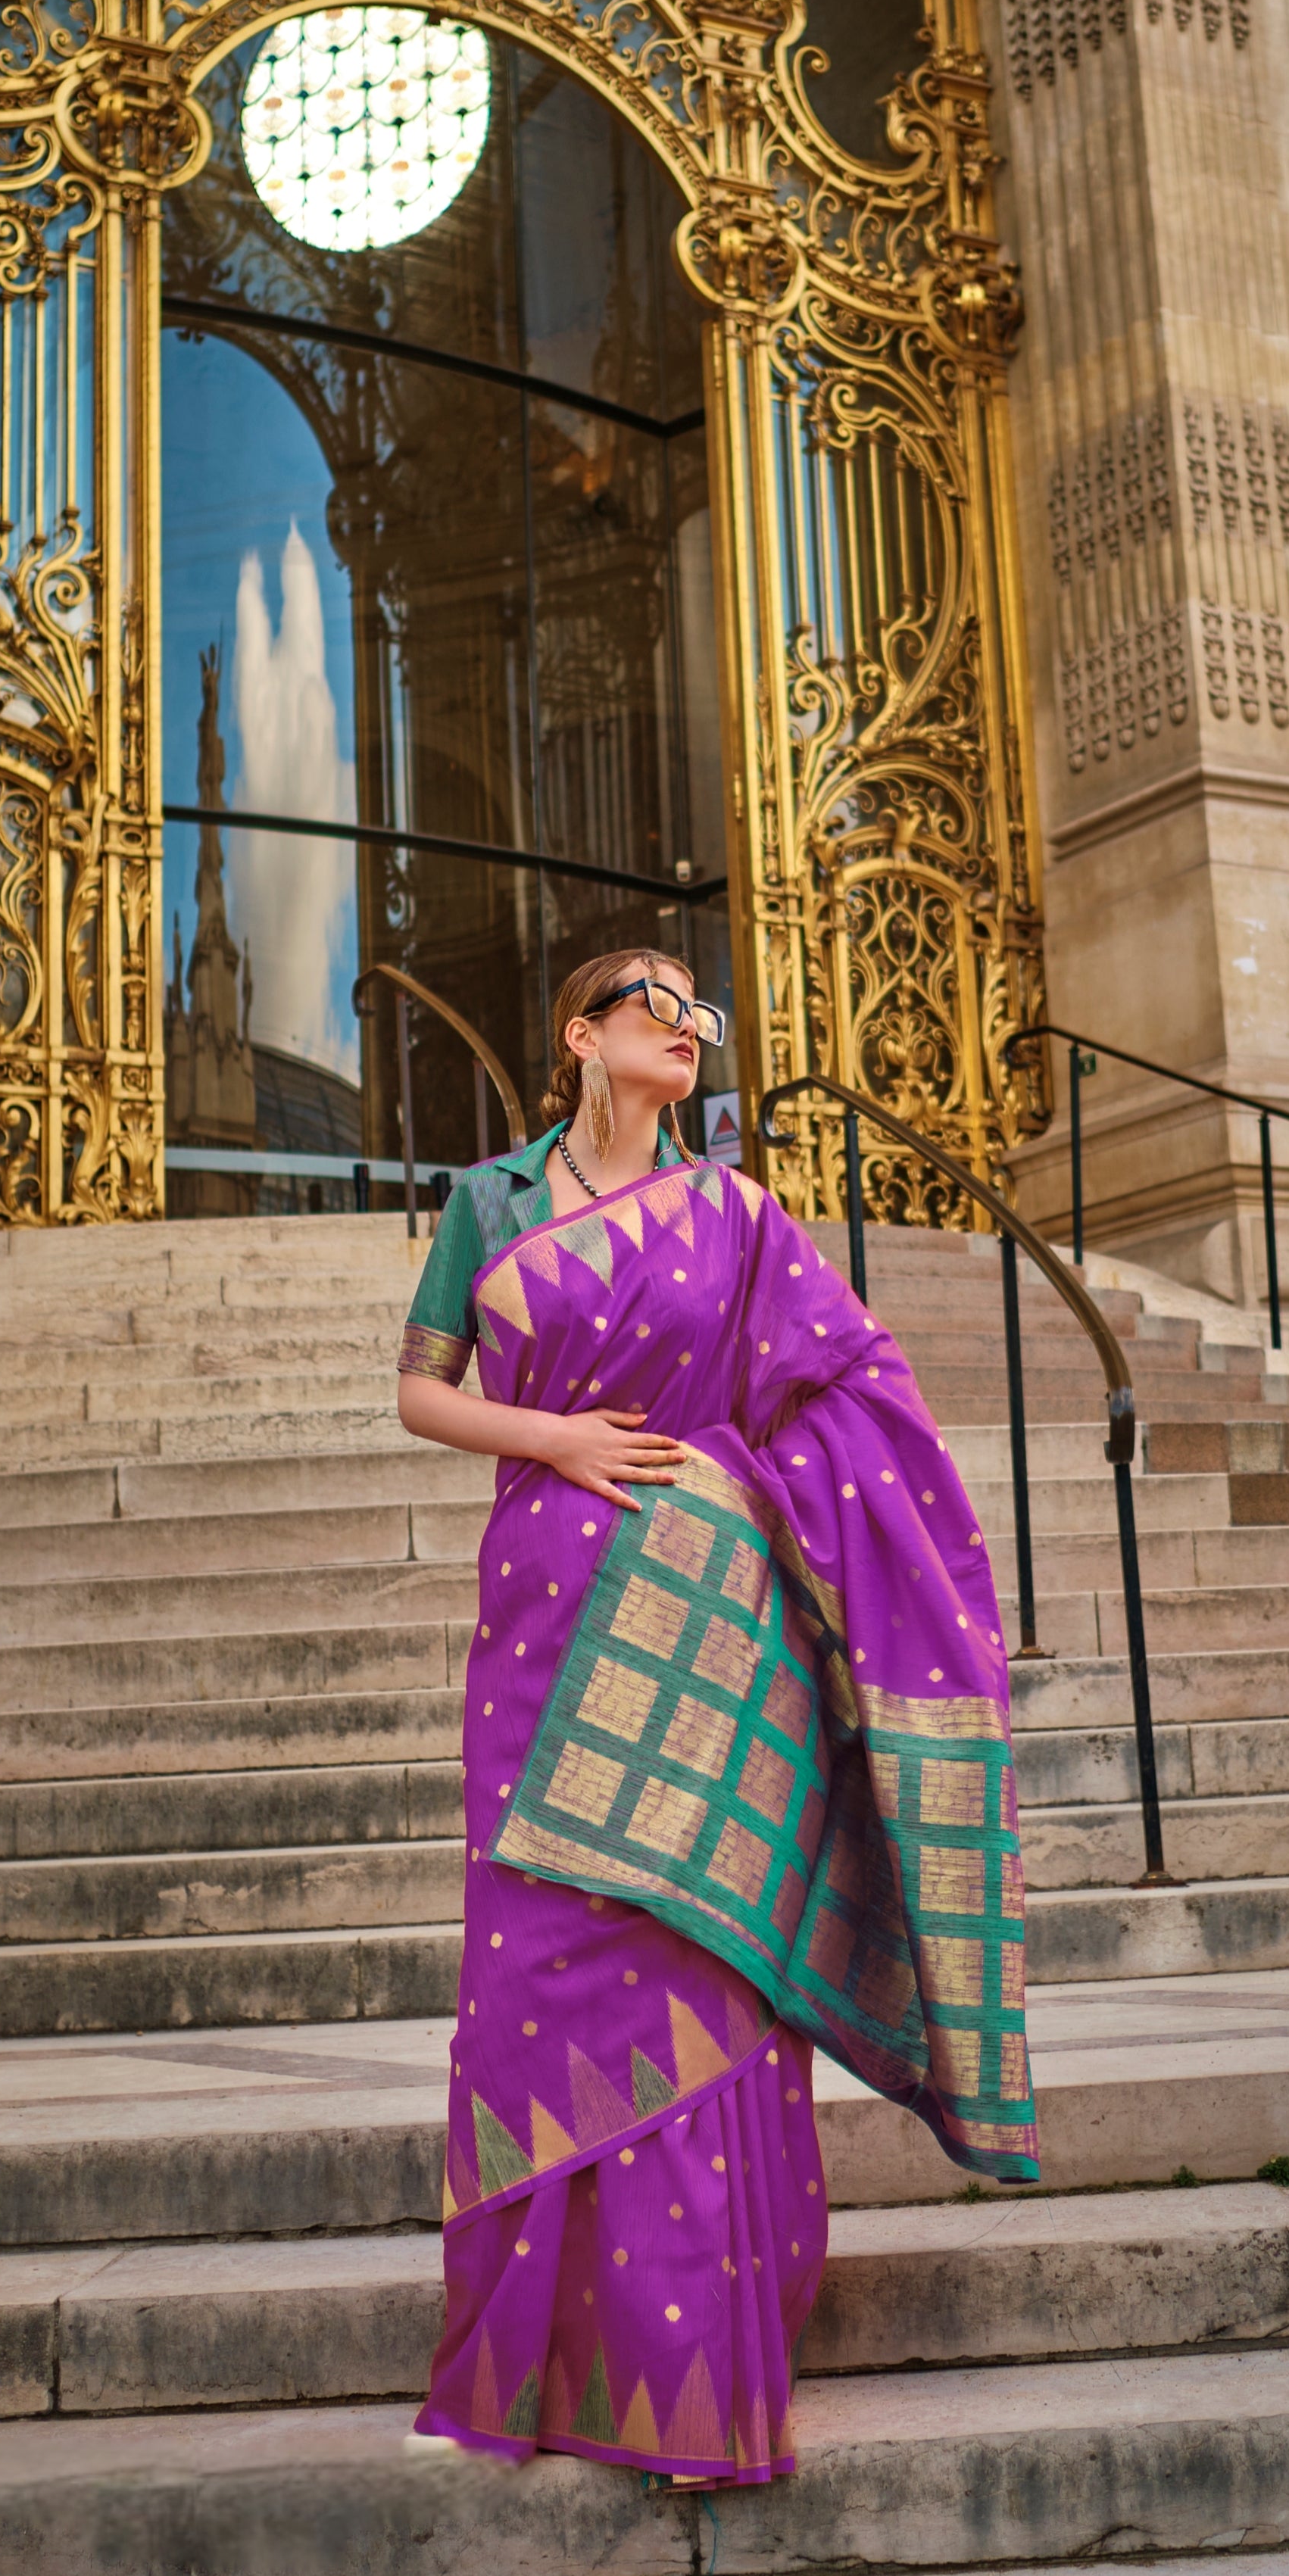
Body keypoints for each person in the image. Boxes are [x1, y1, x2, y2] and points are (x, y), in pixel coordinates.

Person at [393, 947, 1037, 2484]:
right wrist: (551, 1435)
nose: (684, 1028)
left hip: (710, 1610)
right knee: (545, 1961)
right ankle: (526, 2358)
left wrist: (740, 1479)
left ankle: (688, 2374)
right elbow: (421, 1391)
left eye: (699, 1014)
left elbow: (854, 1389)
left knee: (699, 1964)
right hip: (545, 1610)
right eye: (650, 1007)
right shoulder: (487, 1201)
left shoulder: (740, 1218)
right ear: (578, 1037)